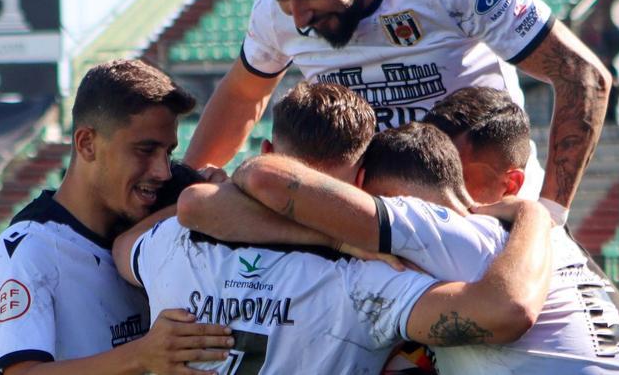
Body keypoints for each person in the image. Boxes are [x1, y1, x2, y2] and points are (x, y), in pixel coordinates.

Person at [183, 0, 612, 229]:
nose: (298, 18)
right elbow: (243, 95)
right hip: (368, 228)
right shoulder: (275, 14)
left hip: (479, 220)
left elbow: (584, 75)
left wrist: (549, 217)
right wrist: (188, 179)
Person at [113, 81, 553, 374]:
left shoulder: (172, 243)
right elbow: (499, 314)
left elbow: (124, 247)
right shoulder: (374, 279)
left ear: (267, 150)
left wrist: (221, 194)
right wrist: (536, 214)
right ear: (362, 181)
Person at [227, 122, 619, 373]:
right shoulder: (547, 245)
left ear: (374, 190)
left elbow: (264, 176)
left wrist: (339, 233)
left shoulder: (429, 225)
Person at [0, 60, 232, 375]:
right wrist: (141, 355)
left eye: (168, 153)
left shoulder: (152, 231)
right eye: (145, 150)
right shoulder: (30, 247)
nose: (162, 171)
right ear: (87, 143)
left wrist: (206, 200)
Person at [424, 86, 619, 373]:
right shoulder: (560, 247)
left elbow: (589, 79)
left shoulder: (473, 244)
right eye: (427, 172)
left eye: (454, 176)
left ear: (511, 184)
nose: (432, 191)